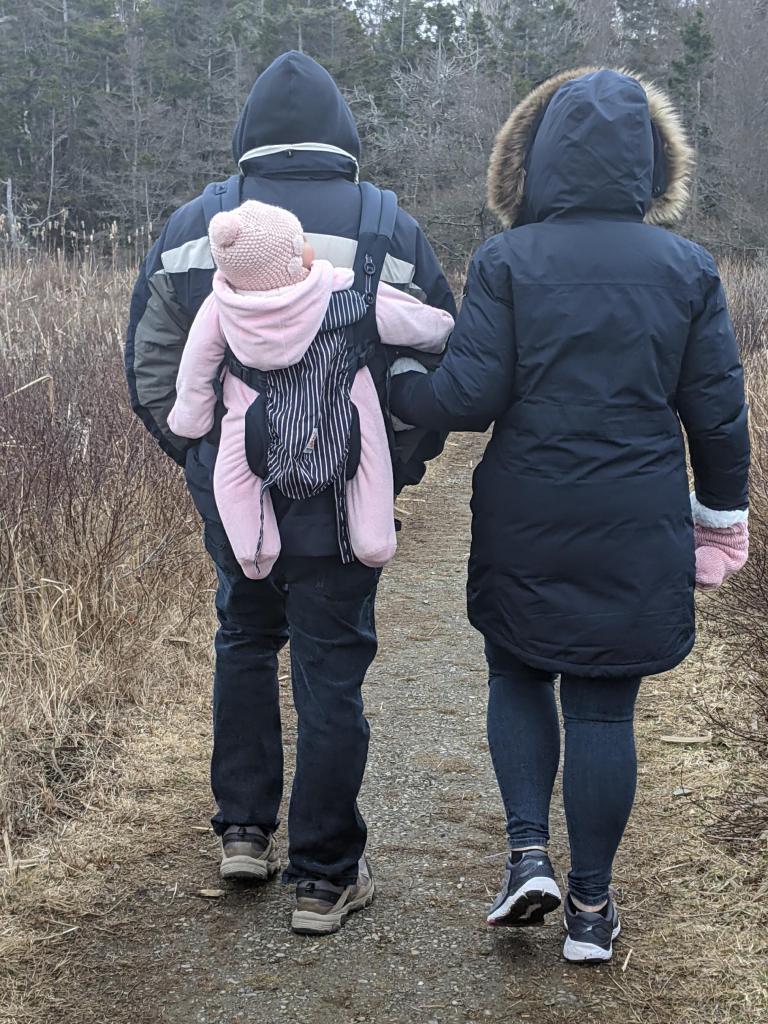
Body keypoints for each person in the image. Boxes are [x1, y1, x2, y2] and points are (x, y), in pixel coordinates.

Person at [390, 68, 750, 963]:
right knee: (603, 712)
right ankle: (590, 909)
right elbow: (718, 414)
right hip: (637, 513)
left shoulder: (508, 260)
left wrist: (399, 385)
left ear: (536, 159)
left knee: (517, 674)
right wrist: (720, 517)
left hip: (527, 505)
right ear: (651, 163)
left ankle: (526, 859)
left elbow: (469, 398)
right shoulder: (688, 268)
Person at [125, 51, 456, 936]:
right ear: (343, 134)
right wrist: (394, 465)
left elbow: (154, 366)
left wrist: (201, 464)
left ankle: (242, 831)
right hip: (347, 504)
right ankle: (323, 877)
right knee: (330, 671)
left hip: (236, 493)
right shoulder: (389, 228)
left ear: (248, 136)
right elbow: (437, 360)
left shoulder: (197, 226)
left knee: (244, 640)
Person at [167, 200, 453, 578]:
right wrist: (442, 329)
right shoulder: (339, 287)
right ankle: (373, 539)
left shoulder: (221, 306)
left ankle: (255, 552)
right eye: (300, 241)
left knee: (234, 475)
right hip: (343, 408)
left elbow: (196, 367)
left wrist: (191, 418)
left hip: (253, 415)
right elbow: (411, 319)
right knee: (370, 459)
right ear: (294, 258)